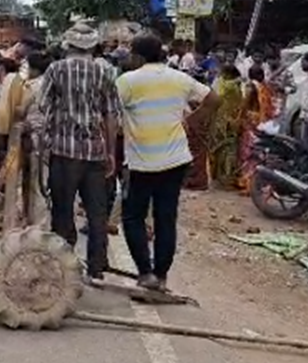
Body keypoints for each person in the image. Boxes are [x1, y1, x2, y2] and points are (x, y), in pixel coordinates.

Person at [117, 32, 219, 291]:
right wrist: (190, 122)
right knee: (166, 218)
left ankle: (145, 272)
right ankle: (161, 275)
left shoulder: (127, 81)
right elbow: (213, 99)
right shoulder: (179, 77)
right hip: (175, 159)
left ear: (138, 55)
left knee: (133, 217)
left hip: (141, 161)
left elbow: (110, 113)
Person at [32, 21, 119, 282]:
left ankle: (63, 263)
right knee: (96, 212)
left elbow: (42, 107)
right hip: (94, 152)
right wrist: (111, 152)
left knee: (62, 209)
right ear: (94, 47)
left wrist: (42, 142)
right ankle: (96, 266)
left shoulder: (55, 70)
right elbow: (111, 116)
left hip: (63, 151)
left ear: (68, 45)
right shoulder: (105, 73)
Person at [210, 64, 244, 188]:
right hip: (226, 120)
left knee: (224, 150)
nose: (222, 74)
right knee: (226, 150)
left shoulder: (228, 84)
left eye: (224, 73)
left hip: (225, 121)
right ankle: (224, 177)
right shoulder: (233, 84)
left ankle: (222, 177)